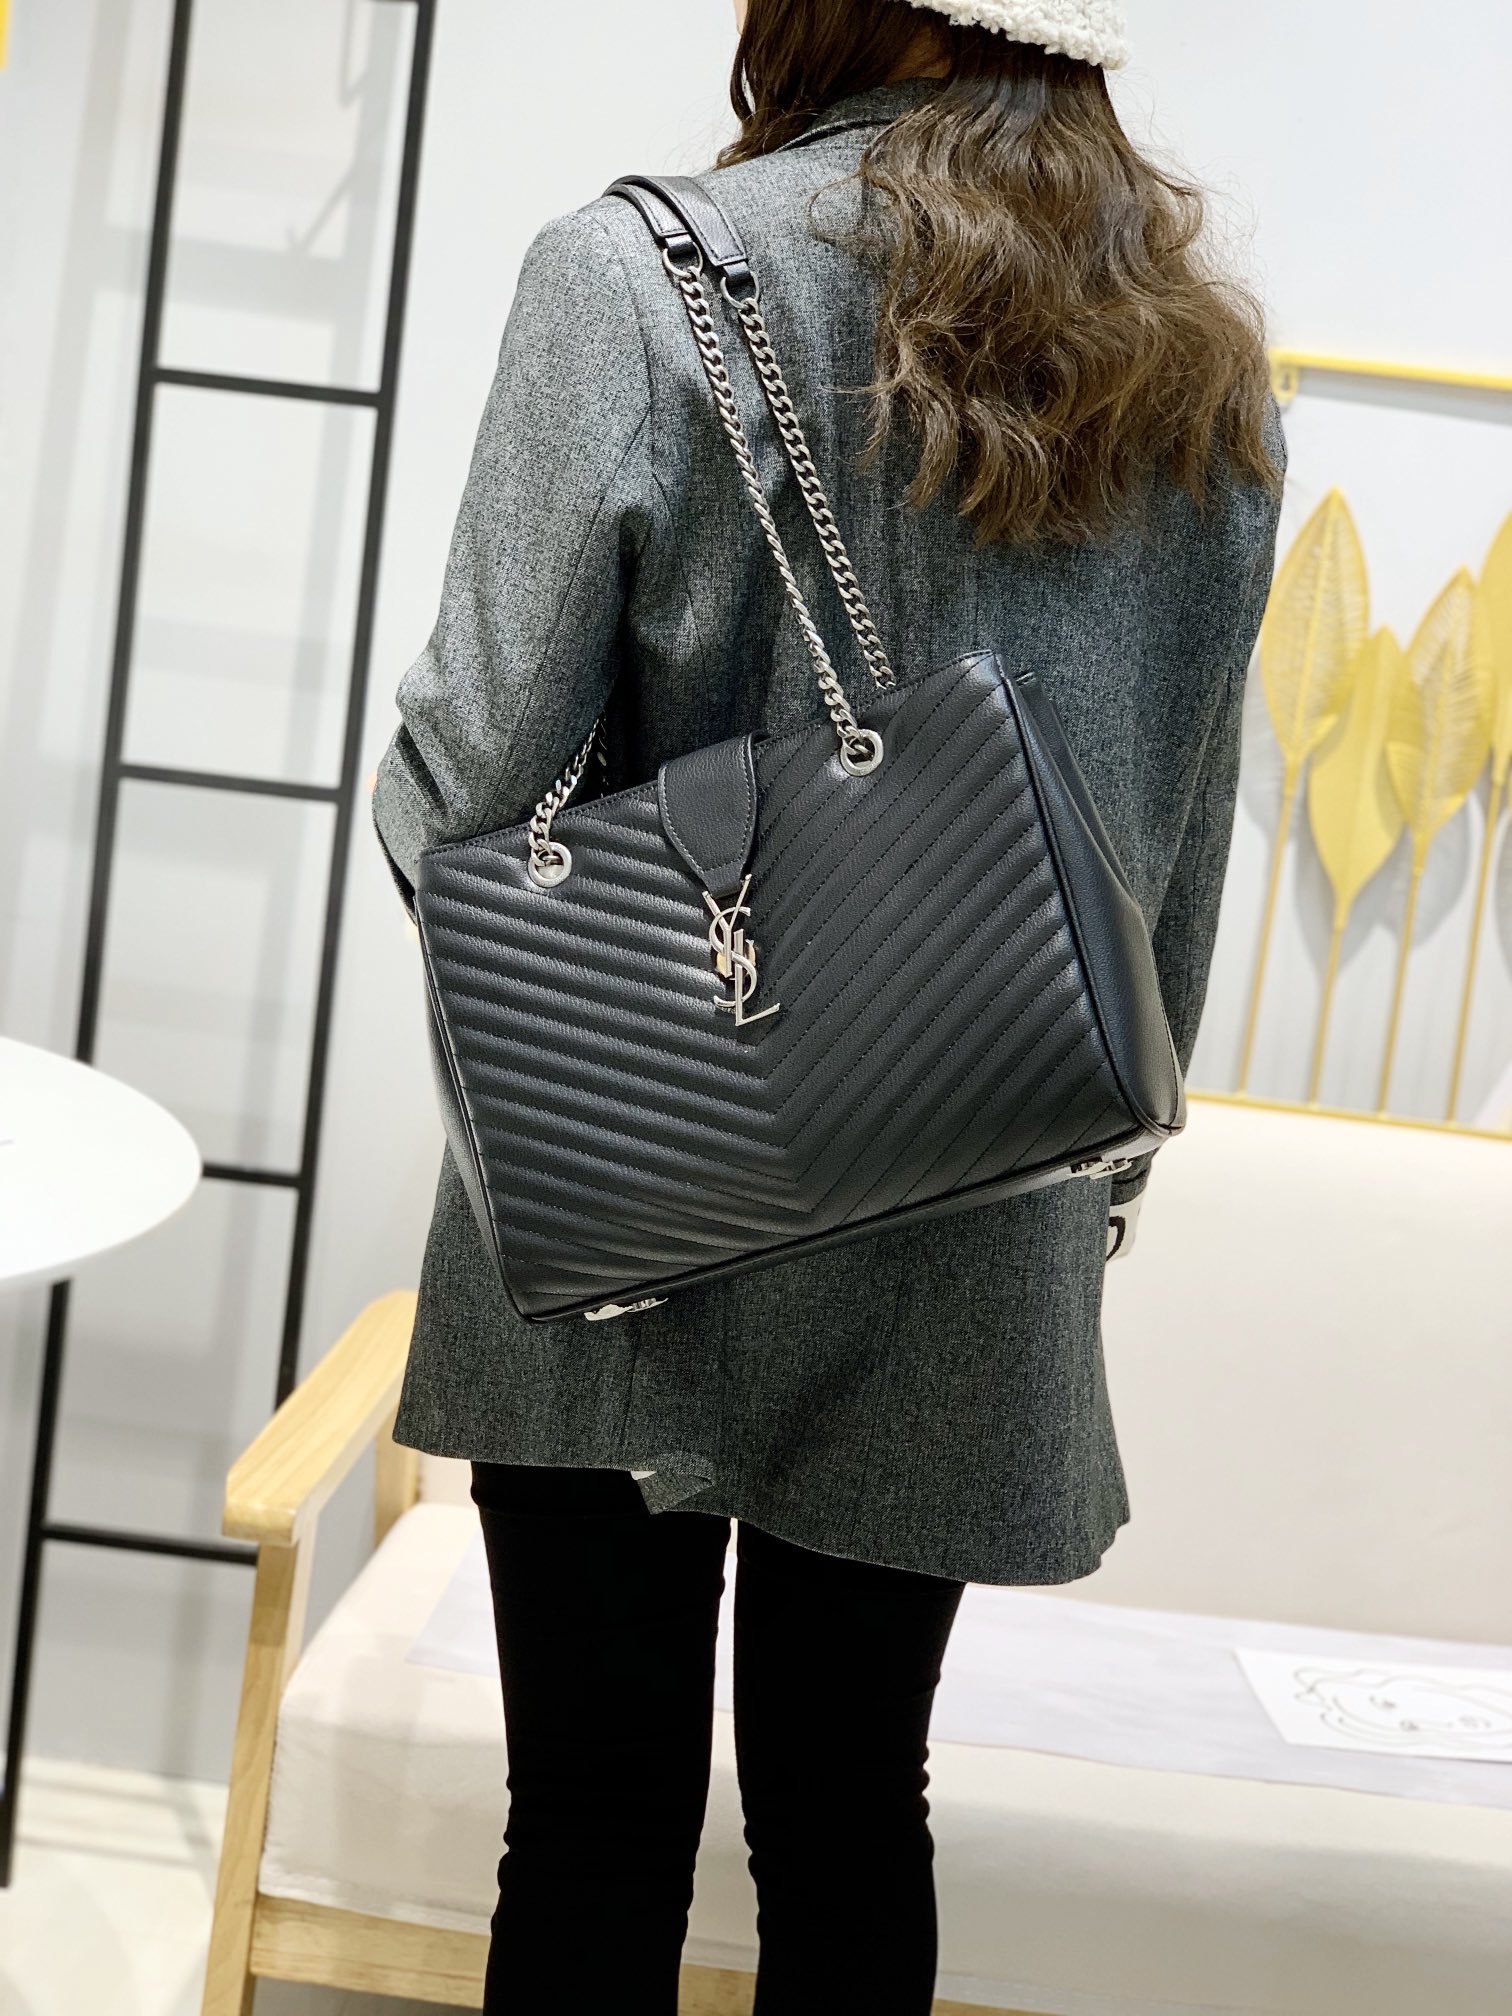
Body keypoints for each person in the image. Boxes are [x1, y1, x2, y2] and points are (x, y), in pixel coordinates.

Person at [371, 1, 1284, 2009]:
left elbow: (474, 766)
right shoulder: (1195, 365)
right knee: (856, 1809)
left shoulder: (636, 275)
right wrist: (1087, 1175)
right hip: (980, 1200)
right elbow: (1175, 830)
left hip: (637, 1170)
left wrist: (534, 1002)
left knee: (592, 1816)